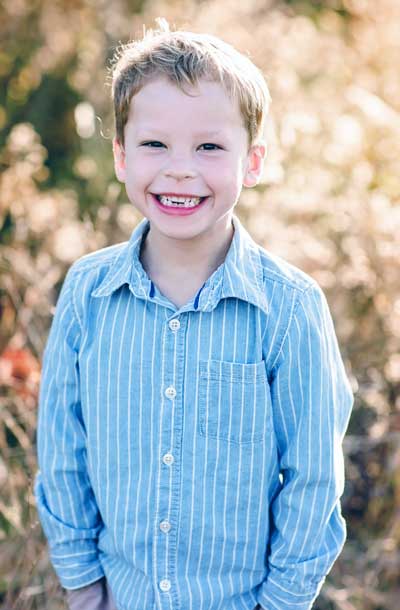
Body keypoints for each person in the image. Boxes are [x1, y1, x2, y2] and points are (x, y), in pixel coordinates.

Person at [34, 18, 354, 610]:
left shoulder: (289, 309)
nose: (180, 168)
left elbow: (312, 481)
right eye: (155, 144)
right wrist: (80, 584)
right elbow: (61, 447)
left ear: (252, 162)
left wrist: (281, 602)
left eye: (209, 146)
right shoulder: (88, 292)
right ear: (121, 155)